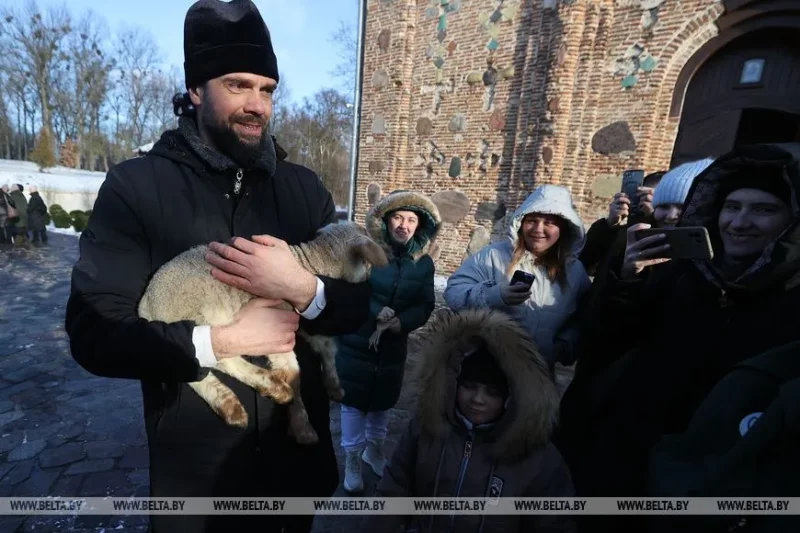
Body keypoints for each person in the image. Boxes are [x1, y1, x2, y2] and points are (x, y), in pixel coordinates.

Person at [64, 2, 370, 532]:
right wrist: (216, 341)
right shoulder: (136, 188)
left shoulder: (305, 189)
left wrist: (303, 288)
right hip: (196, 480)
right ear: (195, 90)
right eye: (237, 85)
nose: (257, 104)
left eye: (267, 88)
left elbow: (357, 306)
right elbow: (94, 332)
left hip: (295, 468)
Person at [556, 143, 800, 533]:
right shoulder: (684, 275)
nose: (740, 222)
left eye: (764, 209)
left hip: (713, 482)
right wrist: (630, 278)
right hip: (629, 458)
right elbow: (607, 342)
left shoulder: (791, 300)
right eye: (732, 207)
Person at [367, 308, 575, 533]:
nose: (478, 400)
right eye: (469, 386)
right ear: (453, 383)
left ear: (511, 397)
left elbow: (553, 523)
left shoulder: (537, 456)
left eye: (492, 392)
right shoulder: (426, 429)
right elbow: (395, 487)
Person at [335, 190, 441, 493]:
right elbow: (348, 290)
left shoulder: (423, 264)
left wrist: (401, 322)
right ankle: (353, 459)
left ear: (419, 226)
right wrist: (373, 310)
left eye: (411, 219)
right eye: (398, 217)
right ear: (385, 220)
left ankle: (374, 450)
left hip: (393, 347)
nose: (403, 225)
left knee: (382, 404)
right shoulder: (363, 251)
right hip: (357, 342)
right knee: (353, 402)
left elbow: (425, 304)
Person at [569, 158, 714, 374]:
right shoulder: (625, 231)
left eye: (679, 205)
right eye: (663, 205)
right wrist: (611, 224)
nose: (670, 214)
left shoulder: (688, 249)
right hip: (598, 343)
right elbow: (584, 261)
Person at [444, 184, 591, 369]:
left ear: (564, 228)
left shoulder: (574, 271)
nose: (538, 229)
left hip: (538, 371)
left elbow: (583, 317)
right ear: (520, 223)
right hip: (485, 367)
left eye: (549, 223)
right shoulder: (492, 256)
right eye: (532, 220)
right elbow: (453, 293)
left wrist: (563, 345)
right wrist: (495, 296)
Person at [579, 171, 665, 275]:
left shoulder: (674, 236)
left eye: (661, 202)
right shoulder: (621, 233)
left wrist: (654, 218)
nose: (646, 202)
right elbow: (582, 263)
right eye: (643, 196)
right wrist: (609, 224)